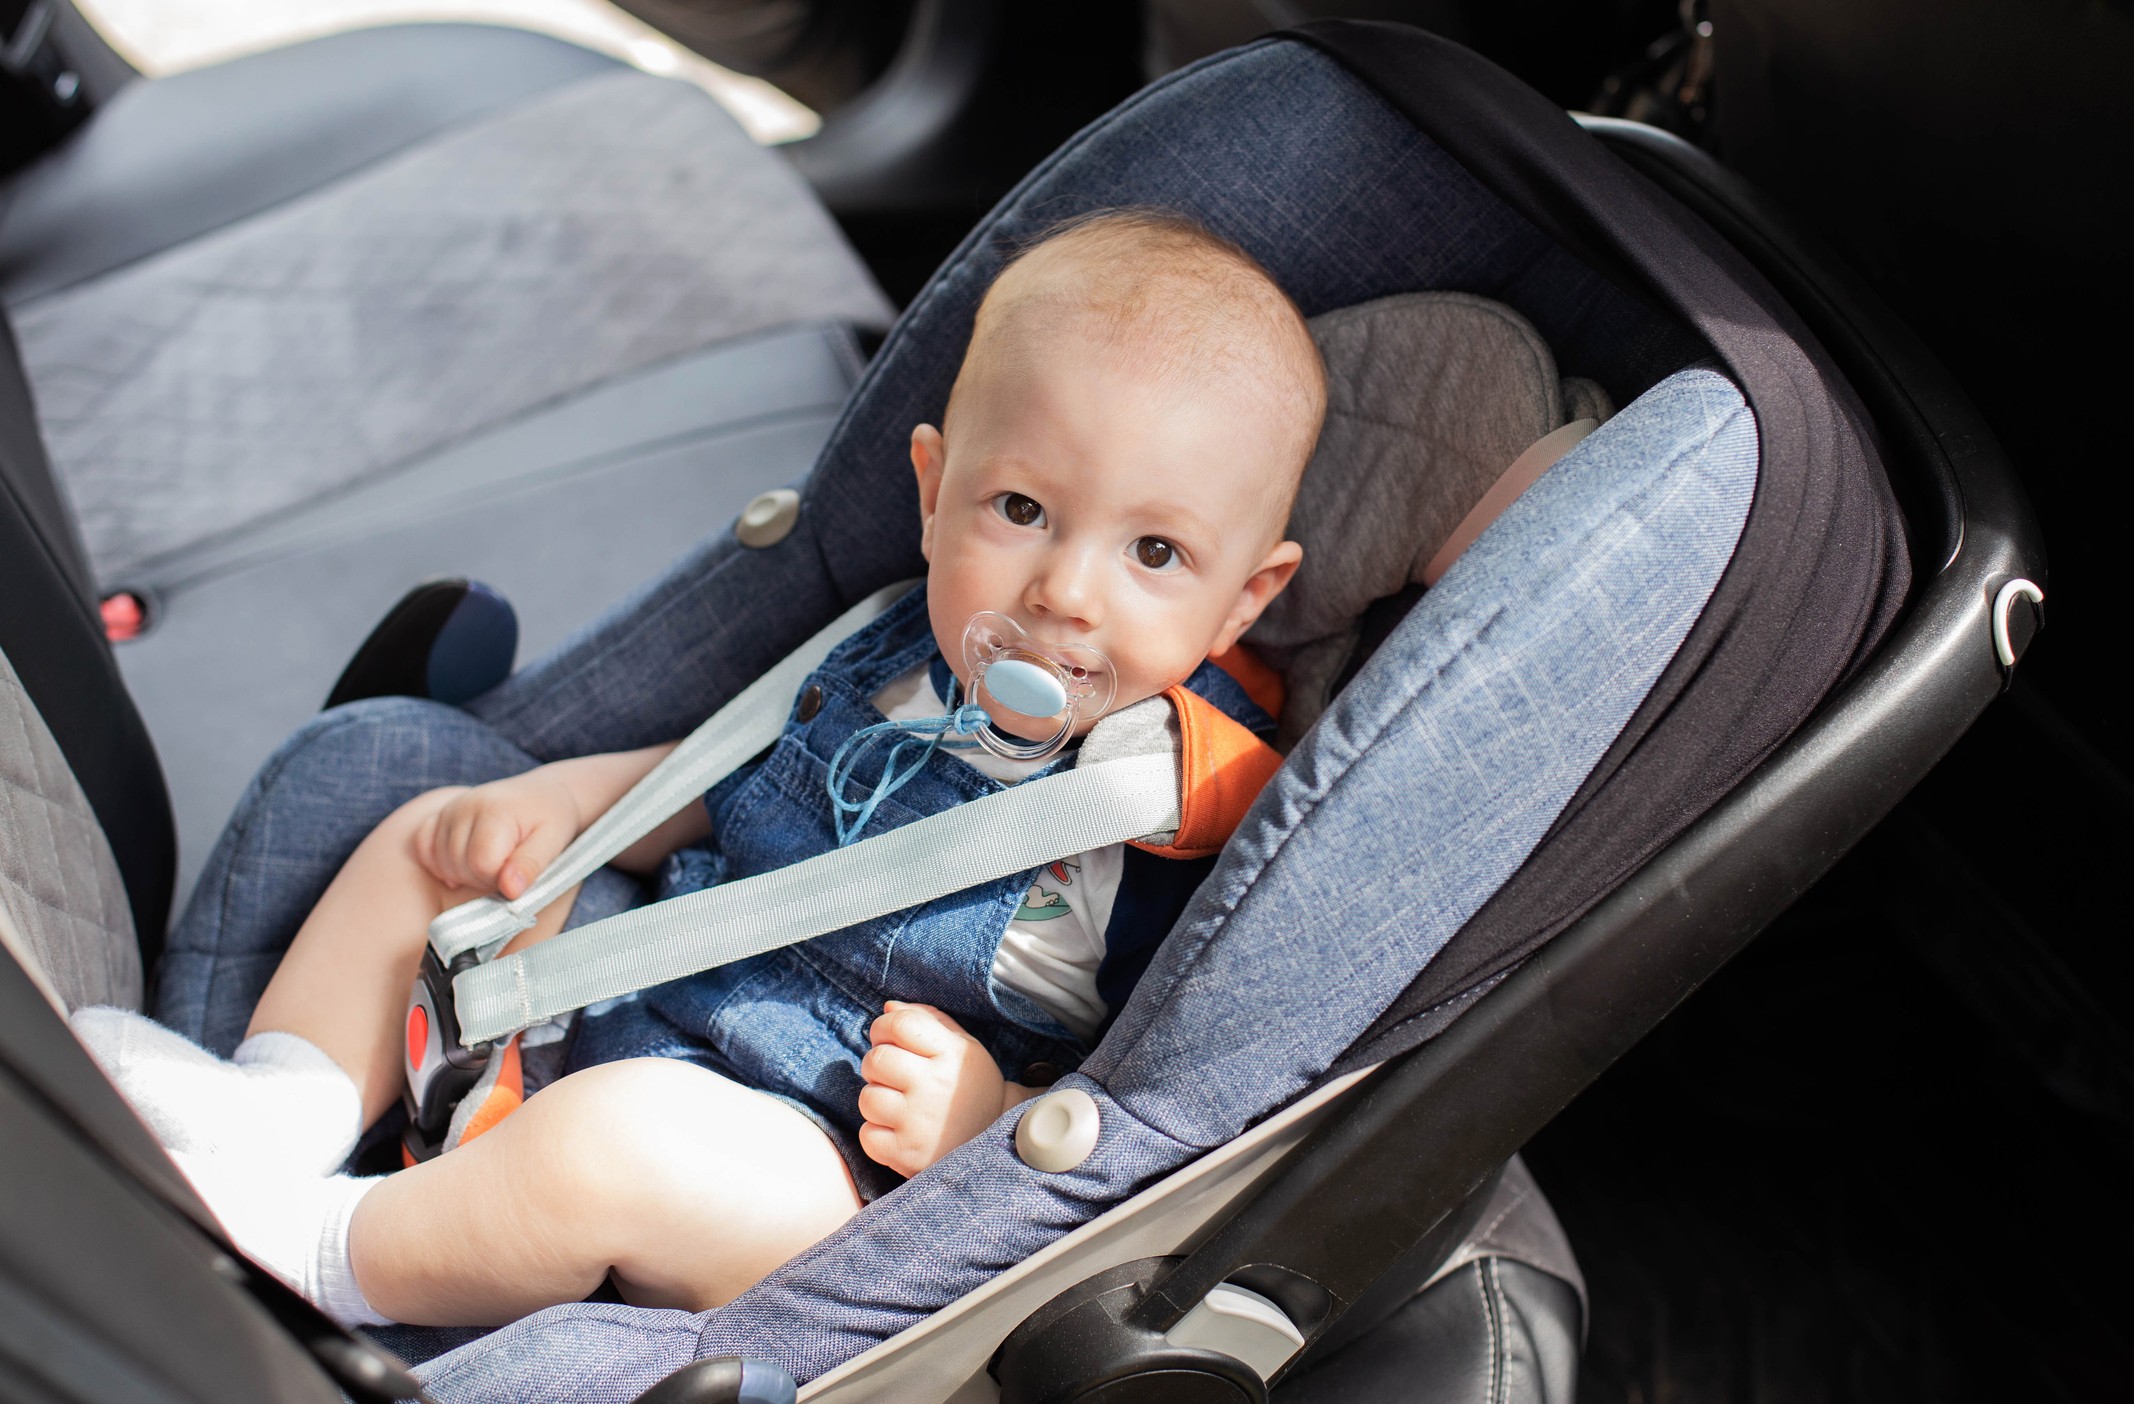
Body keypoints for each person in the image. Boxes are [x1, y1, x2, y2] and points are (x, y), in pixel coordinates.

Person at [71, 208, 1328, 1329]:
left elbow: (1160, 1091)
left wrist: (994, 1115)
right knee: (429, 835)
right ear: (935, 491)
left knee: (623, 1147)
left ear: (1244, 600)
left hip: (820, 1180)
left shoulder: (1182, 815)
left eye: (1154, 552)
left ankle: (308, 1253)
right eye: (1021, 511)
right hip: (646, 982)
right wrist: (555, 811)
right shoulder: (889, 647)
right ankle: (273, 1111)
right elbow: (722, 778)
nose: (1064, 591)